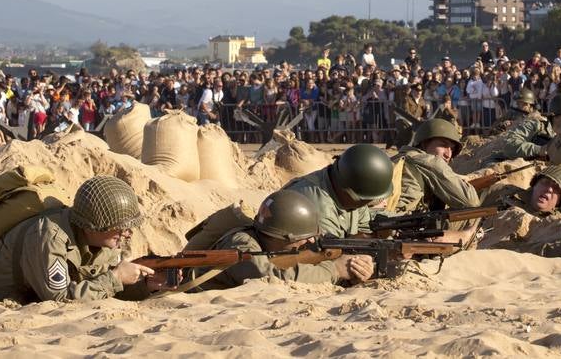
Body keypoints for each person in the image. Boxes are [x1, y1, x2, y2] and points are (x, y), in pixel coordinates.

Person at [0, 175, 153, 303]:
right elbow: (60, 300)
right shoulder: (49, 237)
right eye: (120, 227)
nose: (127, 233)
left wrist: (145, 286)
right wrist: (116, 277)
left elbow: (100, 288)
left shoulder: (104, 243)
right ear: (95, 225)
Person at [201, 191, 372, 290]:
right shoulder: (240, 244)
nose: (311, 241)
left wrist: (355, 270)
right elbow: (272, 278)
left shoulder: (273, 246)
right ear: (279, 236)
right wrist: (334, 270)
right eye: (304, 238)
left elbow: (304, 264)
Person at [280, 143, 393, 238]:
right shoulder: (317, 206)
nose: (369, 202)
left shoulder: (349, 188)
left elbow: (364, 228)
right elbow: (329, 253)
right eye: (366, 200)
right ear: (350, 193)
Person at [394, 118, 480, 215]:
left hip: (386, 220)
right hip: (398, 226)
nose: (448, 154)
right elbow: (471, 202)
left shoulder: (399, 158)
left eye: (451, 149)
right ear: (425, 143)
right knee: (475, 215)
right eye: (443, 145)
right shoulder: (431, 161)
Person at [491, 89, 555, 161]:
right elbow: (495, 125)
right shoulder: (514, 113)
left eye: (519, 104)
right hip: (506, 143)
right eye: (517, 103)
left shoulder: (536, 117)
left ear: (527, 104)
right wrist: (502, 125)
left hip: (525, 150)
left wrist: (514, 124)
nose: (517, 106)